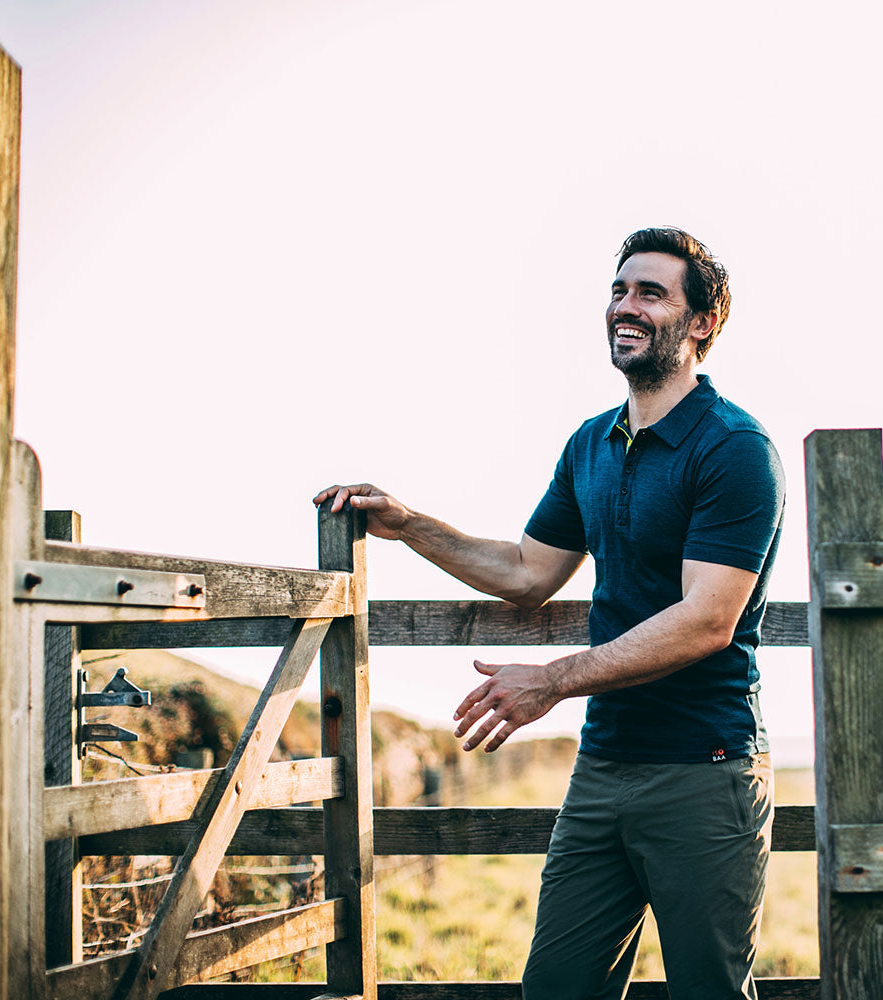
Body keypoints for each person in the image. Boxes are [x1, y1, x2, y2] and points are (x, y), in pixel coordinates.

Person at [313, 227, 784, 1000]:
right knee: (558, 988)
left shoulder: (733, 448)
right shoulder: (591, 445)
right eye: (619, 290)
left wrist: (552, 681)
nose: (624, 307)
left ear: (702, 323)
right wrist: (409, 526)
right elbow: (528, 572)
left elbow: (708, 619)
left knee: (710, 992)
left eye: (651, 293)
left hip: (705, 771)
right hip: (603, 769)